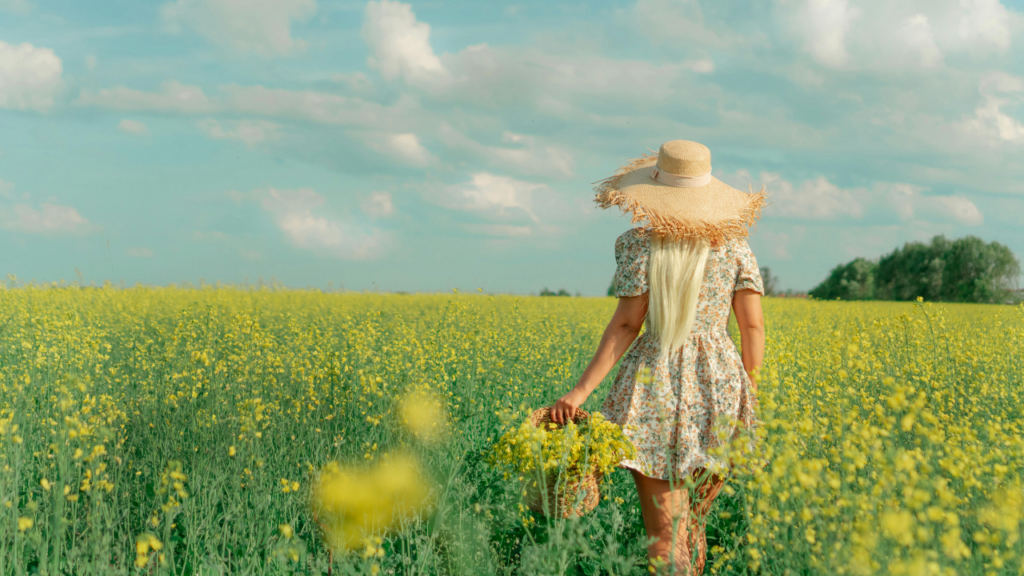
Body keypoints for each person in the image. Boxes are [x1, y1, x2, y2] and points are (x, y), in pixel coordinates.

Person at [550, 140, 767, 575]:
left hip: (655, 386)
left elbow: (626, 326)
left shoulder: (638, 245)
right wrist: (750, 391)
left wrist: (578, 393)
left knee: (666, 536)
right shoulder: (736, 247)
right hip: (721, 386)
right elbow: (753, 328)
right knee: (692, 525)